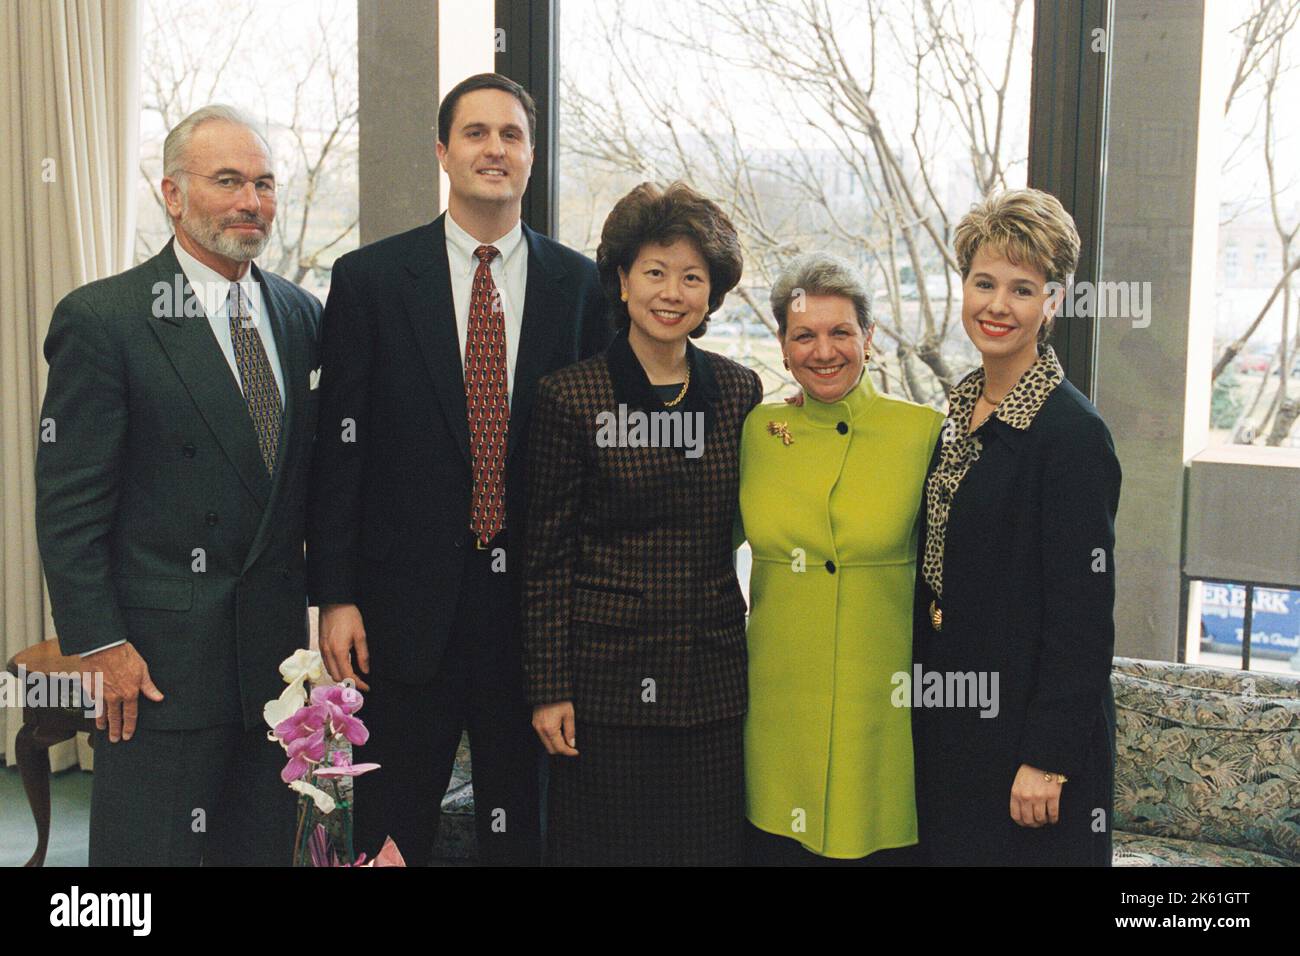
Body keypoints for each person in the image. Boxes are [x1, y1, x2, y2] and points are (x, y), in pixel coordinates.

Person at [307, 73, 609, 866]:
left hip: (534, 616)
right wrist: (334, 593)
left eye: (511, 135)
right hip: (400, 614)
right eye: (476, 133)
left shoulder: (580, 287)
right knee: (391, 828)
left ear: (533, 156)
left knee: (522, 829)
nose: (494, 149)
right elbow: (340, 450)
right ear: (444, 151)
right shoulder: (370, 281)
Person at [35, 105, 321, 866]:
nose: (249, 202)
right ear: (171, 193)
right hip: (157, 670)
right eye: (227, 180)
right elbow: (69, 510)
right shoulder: (105, 319)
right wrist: (99, 645)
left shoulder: (300, 315)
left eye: (263, 183)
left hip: (275, 673)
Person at [524, 181, 762, 865]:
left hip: (712, 687)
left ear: (712, 295)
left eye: (693, 277)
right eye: (655, 272)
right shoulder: (571, 397)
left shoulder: (740, 391)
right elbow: (544, 561)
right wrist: (549, 690)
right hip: (604, 690)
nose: (672, 291)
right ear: (622, 280)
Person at [912, 188, 1121, 865]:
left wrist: (1048, 759)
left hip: (1027, 754)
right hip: (953, 730)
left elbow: (1082, 617)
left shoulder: (1072, 435)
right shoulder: (961, 412)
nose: (997, 305)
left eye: (1022, 288)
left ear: (1052, 303)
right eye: (984, 283)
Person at [738, 253, 943, 866]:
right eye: (804, 334)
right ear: (782, 345)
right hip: (777, 726)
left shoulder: (926, 433)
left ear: (870, 338)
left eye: (840, 332)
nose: (822, 351)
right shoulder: (757, 431)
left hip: (882, 726)